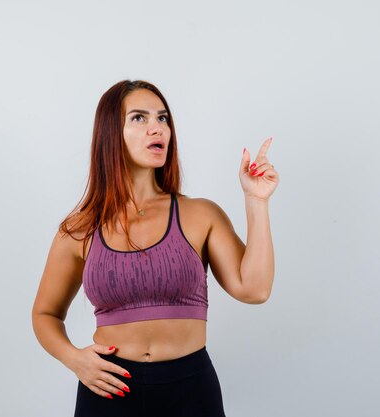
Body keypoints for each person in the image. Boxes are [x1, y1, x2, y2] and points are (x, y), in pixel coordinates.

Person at [31, 79, 278, 417]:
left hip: (190, 390)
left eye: (162, 118)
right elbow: (45, 314)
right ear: (110, 133)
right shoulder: (80, 230)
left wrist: (256, 201)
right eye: (139, 118)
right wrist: (73, 359)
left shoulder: (200, 214)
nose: (156, 128)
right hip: (108, 389)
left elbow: (254, 289)